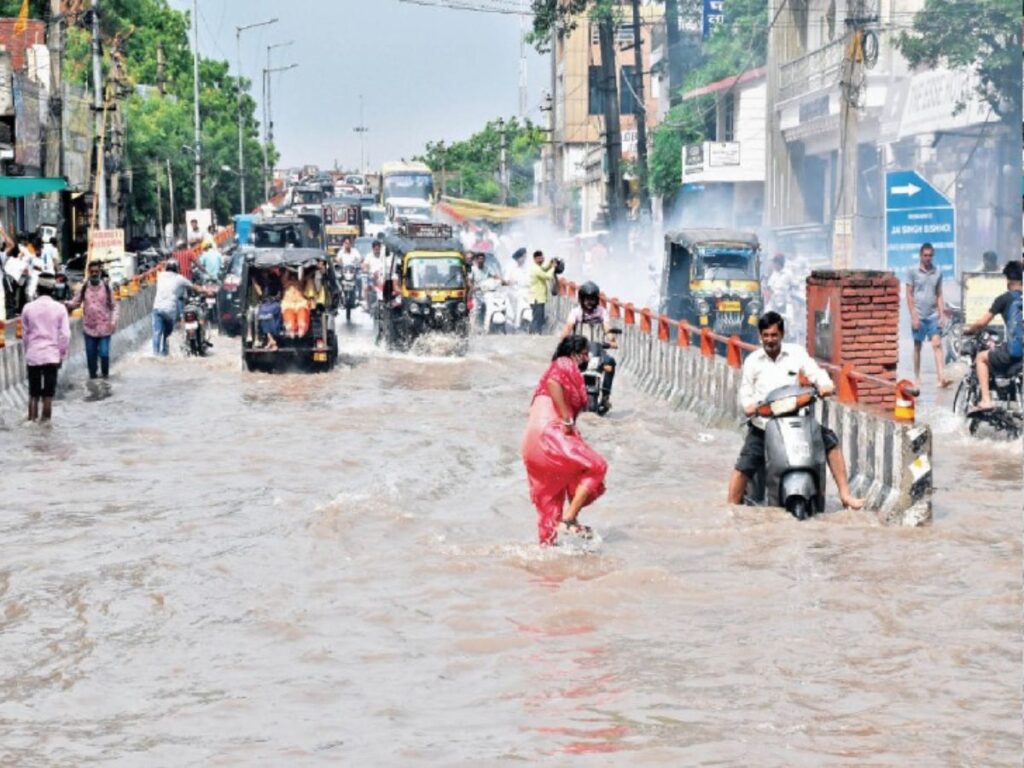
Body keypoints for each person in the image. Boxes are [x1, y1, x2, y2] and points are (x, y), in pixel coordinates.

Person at [728, 311, 865, 510]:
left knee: (830, 442)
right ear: (760, 336)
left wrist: (825, 385)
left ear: (782, 334)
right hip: (764, 425)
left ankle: (845, 495)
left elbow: (815, 372)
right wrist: (749, 406)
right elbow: (746, 392)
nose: (770, 340)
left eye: (774, 335)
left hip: (796, 421)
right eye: (765, 335)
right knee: (743, 468)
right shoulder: (752, 361)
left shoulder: (796, 353)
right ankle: (730, 508)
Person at [521, 334, 608, 545]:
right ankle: (569, 519)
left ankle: (548, 565)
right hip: (550, 434)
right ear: (574, 353)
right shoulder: (563, 363)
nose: (587, 358)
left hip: (532, 443)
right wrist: (568, 420)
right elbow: (553, 383)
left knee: (550, 508)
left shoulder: (559, 366)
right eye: (585, 353)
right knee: (597, 466)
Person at [965, 260, 1022, 414]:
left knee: (981, 358)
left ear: (1008, 280)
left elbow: (982, 322)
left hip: (1014, 354)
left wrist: (969, 330)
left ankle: (985, 401)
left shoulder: (1004, 299)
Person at [560, 281, 618, 411]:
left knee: (611, 363)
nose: (589, 302)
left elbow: (607, 327)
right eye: (587, 299)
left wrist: (611, 339)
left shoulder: (602, 311)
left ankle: (605, 396)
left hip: (596, 350)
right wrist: (563, 342)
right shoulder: (575, 312)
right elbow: (568, 327)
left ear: (596, 299)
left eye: (592, 299)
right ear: (581, 299)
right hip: (577, 350)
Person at [20, 272, 70, 421]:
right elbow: (65, 335)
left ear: (37, 288)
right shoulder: (60, 309)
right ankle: (46, 428)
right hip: (51, 355)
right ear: (53, 290)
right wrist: (61, 355)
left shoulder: (28, 308)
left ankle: (32, 423)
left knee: (33, 394)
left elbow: (25, 335)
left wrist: (28, 352)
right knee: (48, 395)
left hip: (33, 355)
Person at [905, 242, 951, 388]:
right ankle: (917, 377)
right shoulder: (912, 271)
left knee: (937, 344)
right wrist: (913, 315)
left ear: (933, 256)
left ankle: (941, 377)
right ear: (920, 255)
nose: (927, 258)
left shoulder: (937, 272)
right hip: (918, 314)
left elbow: (939, 294)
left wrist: (942, 314)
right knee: (918, 346)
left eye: (930, 255)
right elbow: (909, 294)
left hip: (932, 316)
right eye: (925, 255)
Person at [65, 261, 118, 379]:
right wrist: (64, 304)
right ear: (89, 272)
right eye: (92, 272)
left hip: (104, 328)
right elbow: (76, 303)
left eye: (96, 271)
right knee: (91, 357)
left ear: (100, 272)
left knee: (104, 354)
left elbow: (114, 307)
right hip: (89, 328)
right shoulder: (84, 287)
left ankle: (105, 377)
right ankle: (93, 380)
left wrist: (113, 321)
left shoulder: (106, 287)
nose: (94, 274)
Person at [151, 260, 205, 356]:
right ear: (177, 269)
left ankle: (155, 354)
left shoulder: (160, 276)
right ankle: (165, 353)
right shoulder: (179, 278)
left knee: (157, 333)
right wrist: (205, 290)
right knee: (167, 334)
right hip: (170, 310)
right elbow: (194, 287)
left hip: (157, 308)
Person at [528, 250, 558, 335]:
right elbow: (547, 276)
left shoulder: (538, 267)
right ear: (534, 259)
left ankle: (534, 333)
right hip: (537, 298)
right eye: (539, 258)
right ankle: (535, 334)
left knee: (538, 318)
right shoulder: (536, 269)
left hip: (539, 298)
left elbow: (544, 268)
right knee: (538, 318)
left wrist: (550, 263)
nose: (541, 259)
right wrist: (553, 267)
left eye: (542, 257)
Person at [470, 251, 503, 329]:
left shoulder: (487, 268)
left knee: (490, 308)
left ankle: (487, 327)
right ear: (476, 260)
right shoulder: (473, 269)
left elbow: (495, 276)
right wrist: (472, 287)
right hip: (477, 294)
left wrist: (503, 281)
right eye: (480, 259)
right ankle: (472, 328)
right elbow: (469, 281)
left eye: (482, 259)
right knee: (475, 311)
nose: (481, 260)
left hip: (486, 293)